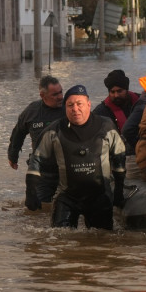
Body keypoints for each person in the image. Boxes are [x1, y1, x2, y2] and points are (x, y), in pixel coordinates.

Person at [26, 85, 127, 230]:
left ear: (88, 104)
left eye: (79, 104)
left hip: (99, 197)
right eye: (70, 105)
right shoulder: (54, 131)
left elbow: (119, 157)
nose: (75, 109)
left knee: (103, 243)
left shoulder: (106, 126)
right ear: (65, 108)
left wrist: (118, 190)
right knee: (60, 241)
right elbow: (36, 160)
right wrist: (30, 192)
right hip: (68, 197)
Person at [7, 75, 64, 205]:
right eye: (55, 94)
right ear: (42, 95)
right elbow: (18, 134)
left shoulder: (70, 109)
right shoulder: (31, 111)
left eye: (61, 92)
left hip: (66, 169)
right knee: (38, 209)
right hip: (42, 170)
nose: (60, 97)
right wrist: (12, 156)